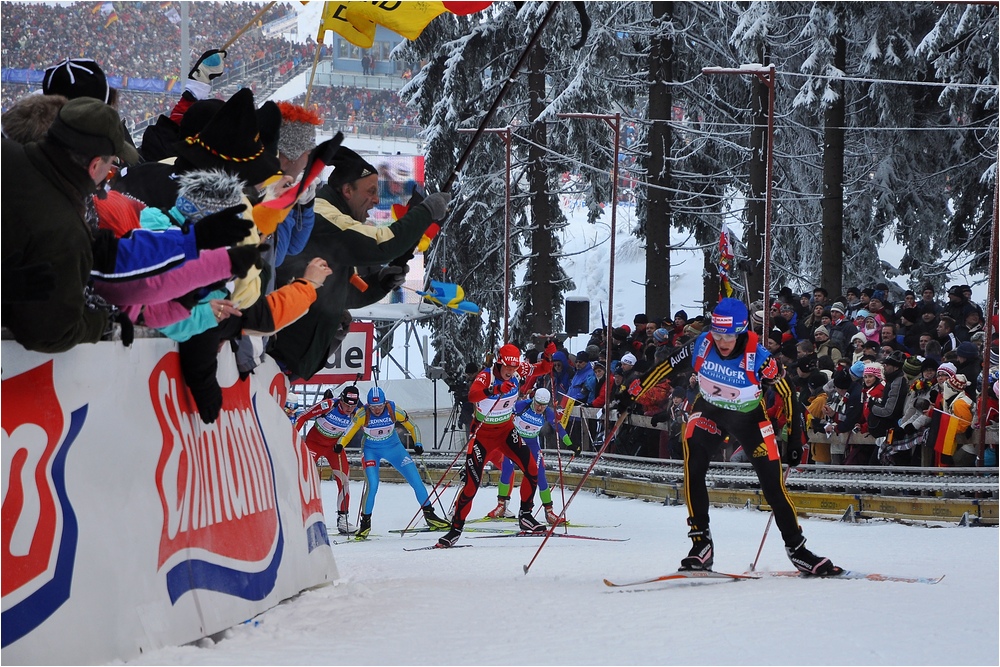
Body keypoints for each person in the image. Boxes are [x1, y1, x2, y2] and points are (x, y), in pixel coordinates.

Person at [627, 298, 842, 576]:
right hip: (711, 412)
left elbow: (788, 393)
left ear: (741, 331)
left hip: (749, 420)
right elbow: (667, 366)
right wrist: (632, 391)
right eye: (718, 333)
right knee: (693, 463)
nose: (722, 341)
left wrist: (796, 437)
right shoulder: (701, 344)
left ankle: (798, 550)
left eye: (728, 335)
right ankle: (701, 545)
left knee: (773, 486)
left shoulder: (759, 356)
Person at [270, 146, 451, 380]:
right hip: (273, 354)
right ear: (347, 190)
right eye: (371, 191)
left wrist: (380, 283)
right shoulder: (323, 213)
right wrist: (426, 211)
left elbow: (346, 295)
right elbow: (382, 245)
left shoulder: (336, 221)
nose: (376, 200)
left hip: (287, 364)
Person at [436, 344, 552, 547]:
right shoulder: (486, 376)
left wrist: (549, 357)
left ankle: (525, 515)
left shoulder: (518, 369)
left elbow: (543, 369)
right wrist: (495, 389)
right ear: (499, 361)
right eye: (507, 366)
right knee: (472, 485)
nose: (510, 371)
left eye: (514, 367)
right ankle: (455, 530)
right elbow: (473, 395)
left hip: (506, 432)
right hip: (483, 436)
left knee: (532, 469)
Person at [340, 387, 451, 538]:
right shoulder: (362, 413)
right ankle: (365, 524)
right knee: (372, 485)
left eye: (379, 406)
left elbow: (412, 425)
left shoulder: (393, 409)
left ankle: (430, 516)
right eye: (373, 407)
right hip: (371, 450)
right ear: (368, 405)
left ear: (384, 403)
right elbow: (349, 432)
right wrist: (340, 445)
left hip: (394, 448)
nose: (377, 410)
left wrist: (418, 443)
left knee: (416, 481)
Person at [485, 388, 580, 525]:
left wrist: (570, 445)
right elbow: (503, 415)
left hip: (532, 443)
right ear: (533, 400)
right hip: (514, 440)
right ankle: (501, 506)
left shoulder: (548, 413)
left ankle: (549, 512)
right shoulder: (521, 405)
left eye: (543, 405)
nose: (540, 407)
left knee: (540, 476)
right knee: (507, 469)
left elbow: (559, 429)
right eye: (538, 404)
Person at [295, 386, 363, 534]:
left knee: (344, 480)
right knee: (306, 479)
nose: (349, 409)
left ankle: (343, 520)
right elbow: (303, 416)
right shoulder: (329, 405)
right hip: (314, 444)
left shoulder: (358, 411)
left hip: (335, 447)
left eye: (352, 406)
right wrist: (292, 437)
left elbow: (368, 425)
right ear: (341, 401)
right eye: (346, 405)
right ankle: (301, 515)